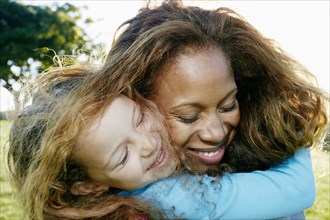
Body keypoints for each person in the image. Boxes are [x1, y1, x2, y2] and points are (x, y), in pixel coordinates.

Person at [8, 65, 318, 220]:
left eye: (140, 118)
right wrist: (292, 125)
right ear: (89, 186)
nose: (148, 145)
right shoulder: (168, 195)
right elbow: (298, 189)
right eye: (121, 156)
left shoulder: (125, 191)